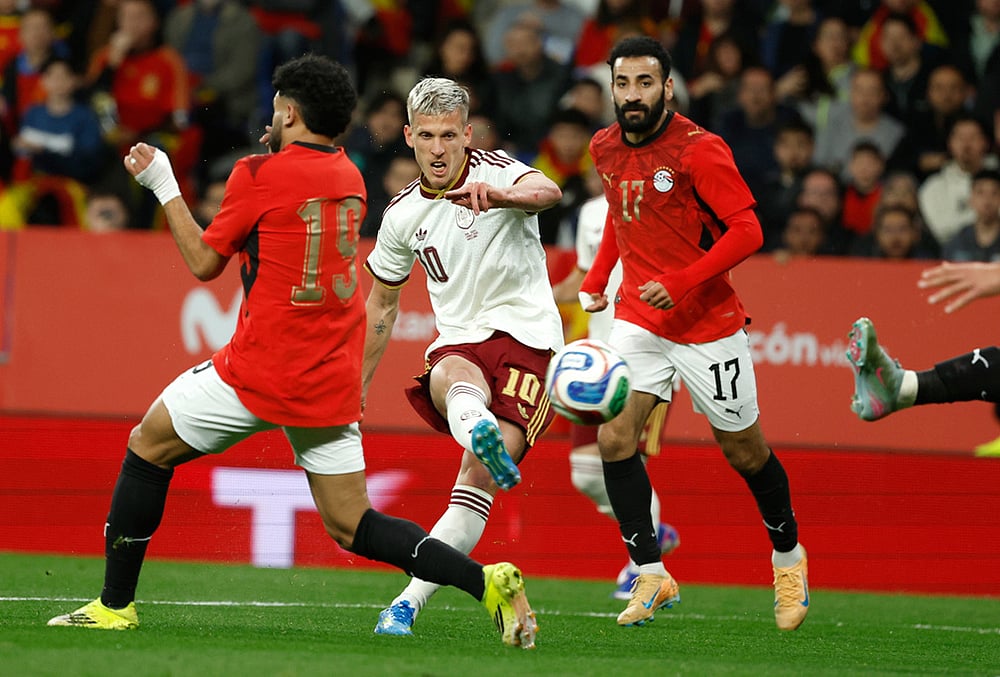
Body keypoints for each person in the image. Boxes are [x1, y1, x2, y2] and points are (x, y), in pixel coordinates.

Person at [45, 55, 538, 651]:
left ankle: (114, 606)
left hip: (258, 368)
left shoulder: (257, 174)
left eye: (279, 106)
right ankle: (484, 581)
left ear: (290, 112)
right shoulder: (350, 176)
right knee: (352, 524)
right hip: (326, 379)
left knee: (147, 446)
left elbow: (205, 263)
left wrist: (164, 184)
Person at [578, 36, 809, 631]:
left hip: (707, 325)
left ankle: (789, 559)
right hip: (638, 320)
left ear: (668, 87)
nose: (633, 96)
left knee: (744, 451)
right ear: (612, 88)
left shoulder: (697, 150)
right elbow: (620, 216)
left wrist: (683, 281)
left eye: (645, 84)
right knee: (613, 440)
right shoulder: (603, 147)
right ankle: (650, 575)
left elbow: (748, 230)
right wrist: (600, 276)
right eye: (623, 84)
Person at [362, 76, 564, 637]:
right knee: (449, 372)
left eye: (449, 135)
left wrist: (504, 197)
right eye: (425, 135)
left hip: (531, 343)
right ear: (407, 135)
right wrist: (358, 385)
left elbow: (550, 192)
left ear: (466, 134)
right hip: (462, 341)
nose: (437, 148)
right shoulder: (402, 216)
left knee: (475, 483)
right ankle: (404, 608)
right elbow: (381, 306)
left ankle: (407, 600)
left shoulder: (497, 170)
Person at [551, 169, 680, 601]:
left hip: (648, 356)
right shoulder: (591, 214)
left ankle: (643, 568)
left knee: (627, 459)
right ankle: (651, 530)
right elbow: (585, 279)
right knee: (585, 473)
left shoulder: (670, 210)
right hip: (597, 363)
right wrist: (536, 301)